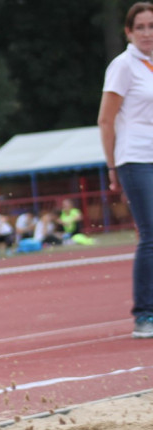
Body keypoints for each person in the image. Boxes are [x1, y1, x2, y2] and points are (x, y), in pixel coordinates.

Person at [100, 2, 153, 339]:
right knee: (151, 236)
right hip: (135, 158)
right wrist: (111, 166)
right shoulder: (123, 66)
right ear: (129, 32)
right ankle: (144, 315)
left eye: (152, 26)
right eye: (142, 28)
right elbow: (106, 119)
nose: (148, 33)